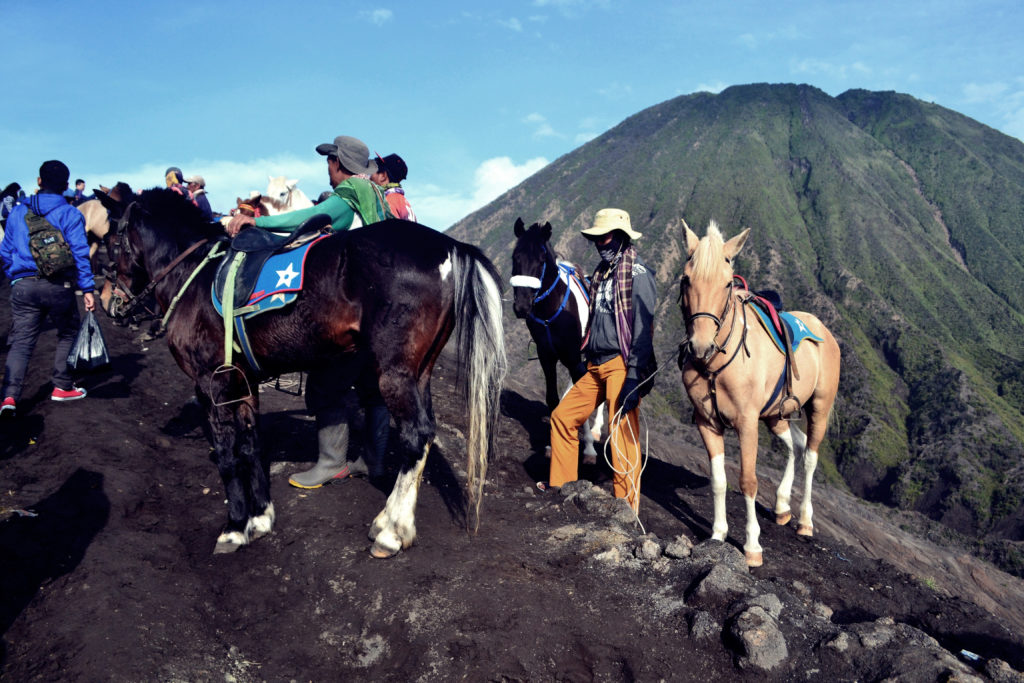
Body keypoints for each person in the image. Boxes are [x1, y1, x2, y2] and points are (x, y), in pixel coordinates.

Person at [226, 135, 392, 488]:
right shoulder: (379, 196)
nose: (328, 169)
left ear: (339, 164)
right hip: (379, 309)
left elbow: (308, 218)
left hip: (354, 308)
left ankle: (332, 463)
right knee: (371, 386)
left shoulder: (348, 196)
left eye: (329, 162)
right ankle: (374, 461)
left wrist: (259, 223)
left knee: (325, 385)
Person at [540, 208, 658, 513]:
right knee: (563, 417)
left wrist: (634, 375)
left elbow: (644, 329)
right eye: (596, 240)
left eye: (604, 238)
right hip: (595, 363)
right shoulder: (603, 274)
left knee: (620, 434)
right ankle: (563, 487)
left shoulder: (638, 274)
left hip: (621, 363)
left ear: (619, 238)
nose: (599, 244)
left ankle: (626, 509)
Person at [0, 160, 96, 416]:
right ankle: (62, 386)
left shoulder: (18, 212)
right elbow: (80, 253)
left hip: (23, 287)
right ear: (66, 186)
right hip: (58, 286)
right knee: (68, 332)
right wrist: (87, 289)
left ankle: (9, 397)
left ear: (39, 181)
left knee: (21, 342)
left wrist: (17, 277)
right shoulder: (70, 213)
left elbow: (5, 252)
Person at [371, 153, 416, 221]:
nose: (369, 176)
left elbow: (390, 231)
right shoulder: (402, 200)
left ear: (383, 176)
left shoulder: (387, 202)